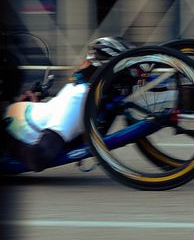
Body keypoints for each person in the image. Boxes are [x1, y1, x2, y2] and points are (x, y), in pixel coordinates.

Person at [1, 36, 133, 172]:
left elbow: (38, 158)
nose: (82, 63)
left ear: (95, 66)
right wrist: (32, 104)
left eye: (87, 60)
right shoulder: (81, 93)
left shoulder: (78, 97)